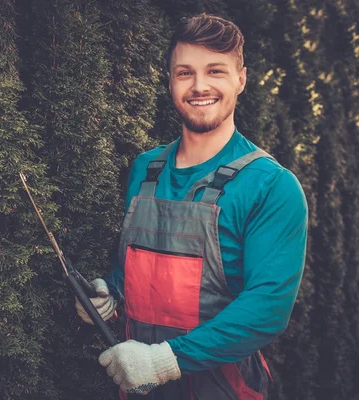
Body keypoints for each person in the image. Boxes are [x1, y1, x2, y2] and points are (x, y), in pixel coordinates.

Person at [75, 13, 308, 400]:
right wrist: (110, 294)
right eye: (185, 73)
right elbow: (138, 266)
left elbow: (267, 308)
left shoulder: (271, 187)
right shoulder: (144, 170)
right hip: (138, 390)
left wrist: (164, 361)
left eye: (215, 71)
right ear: (170, 81)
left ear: (241, 79)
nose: (200, 86)